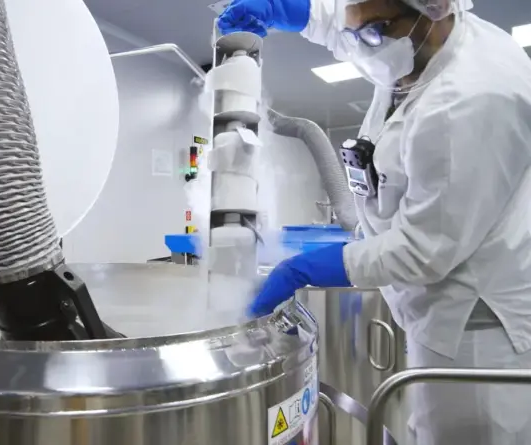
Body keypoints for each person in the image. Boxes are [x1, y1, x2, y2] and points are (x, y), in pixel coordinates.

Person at [219, 0, 531, 443]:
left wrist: (303, 270)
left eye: (372, 32)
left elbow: (423, 250)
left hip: (472, 328)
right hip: (433, 309)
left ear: (432, 8)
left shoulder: (471, 100)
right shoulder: (414, 41)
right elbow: (353, 21)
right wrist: (289, 10)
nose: (362, 46)